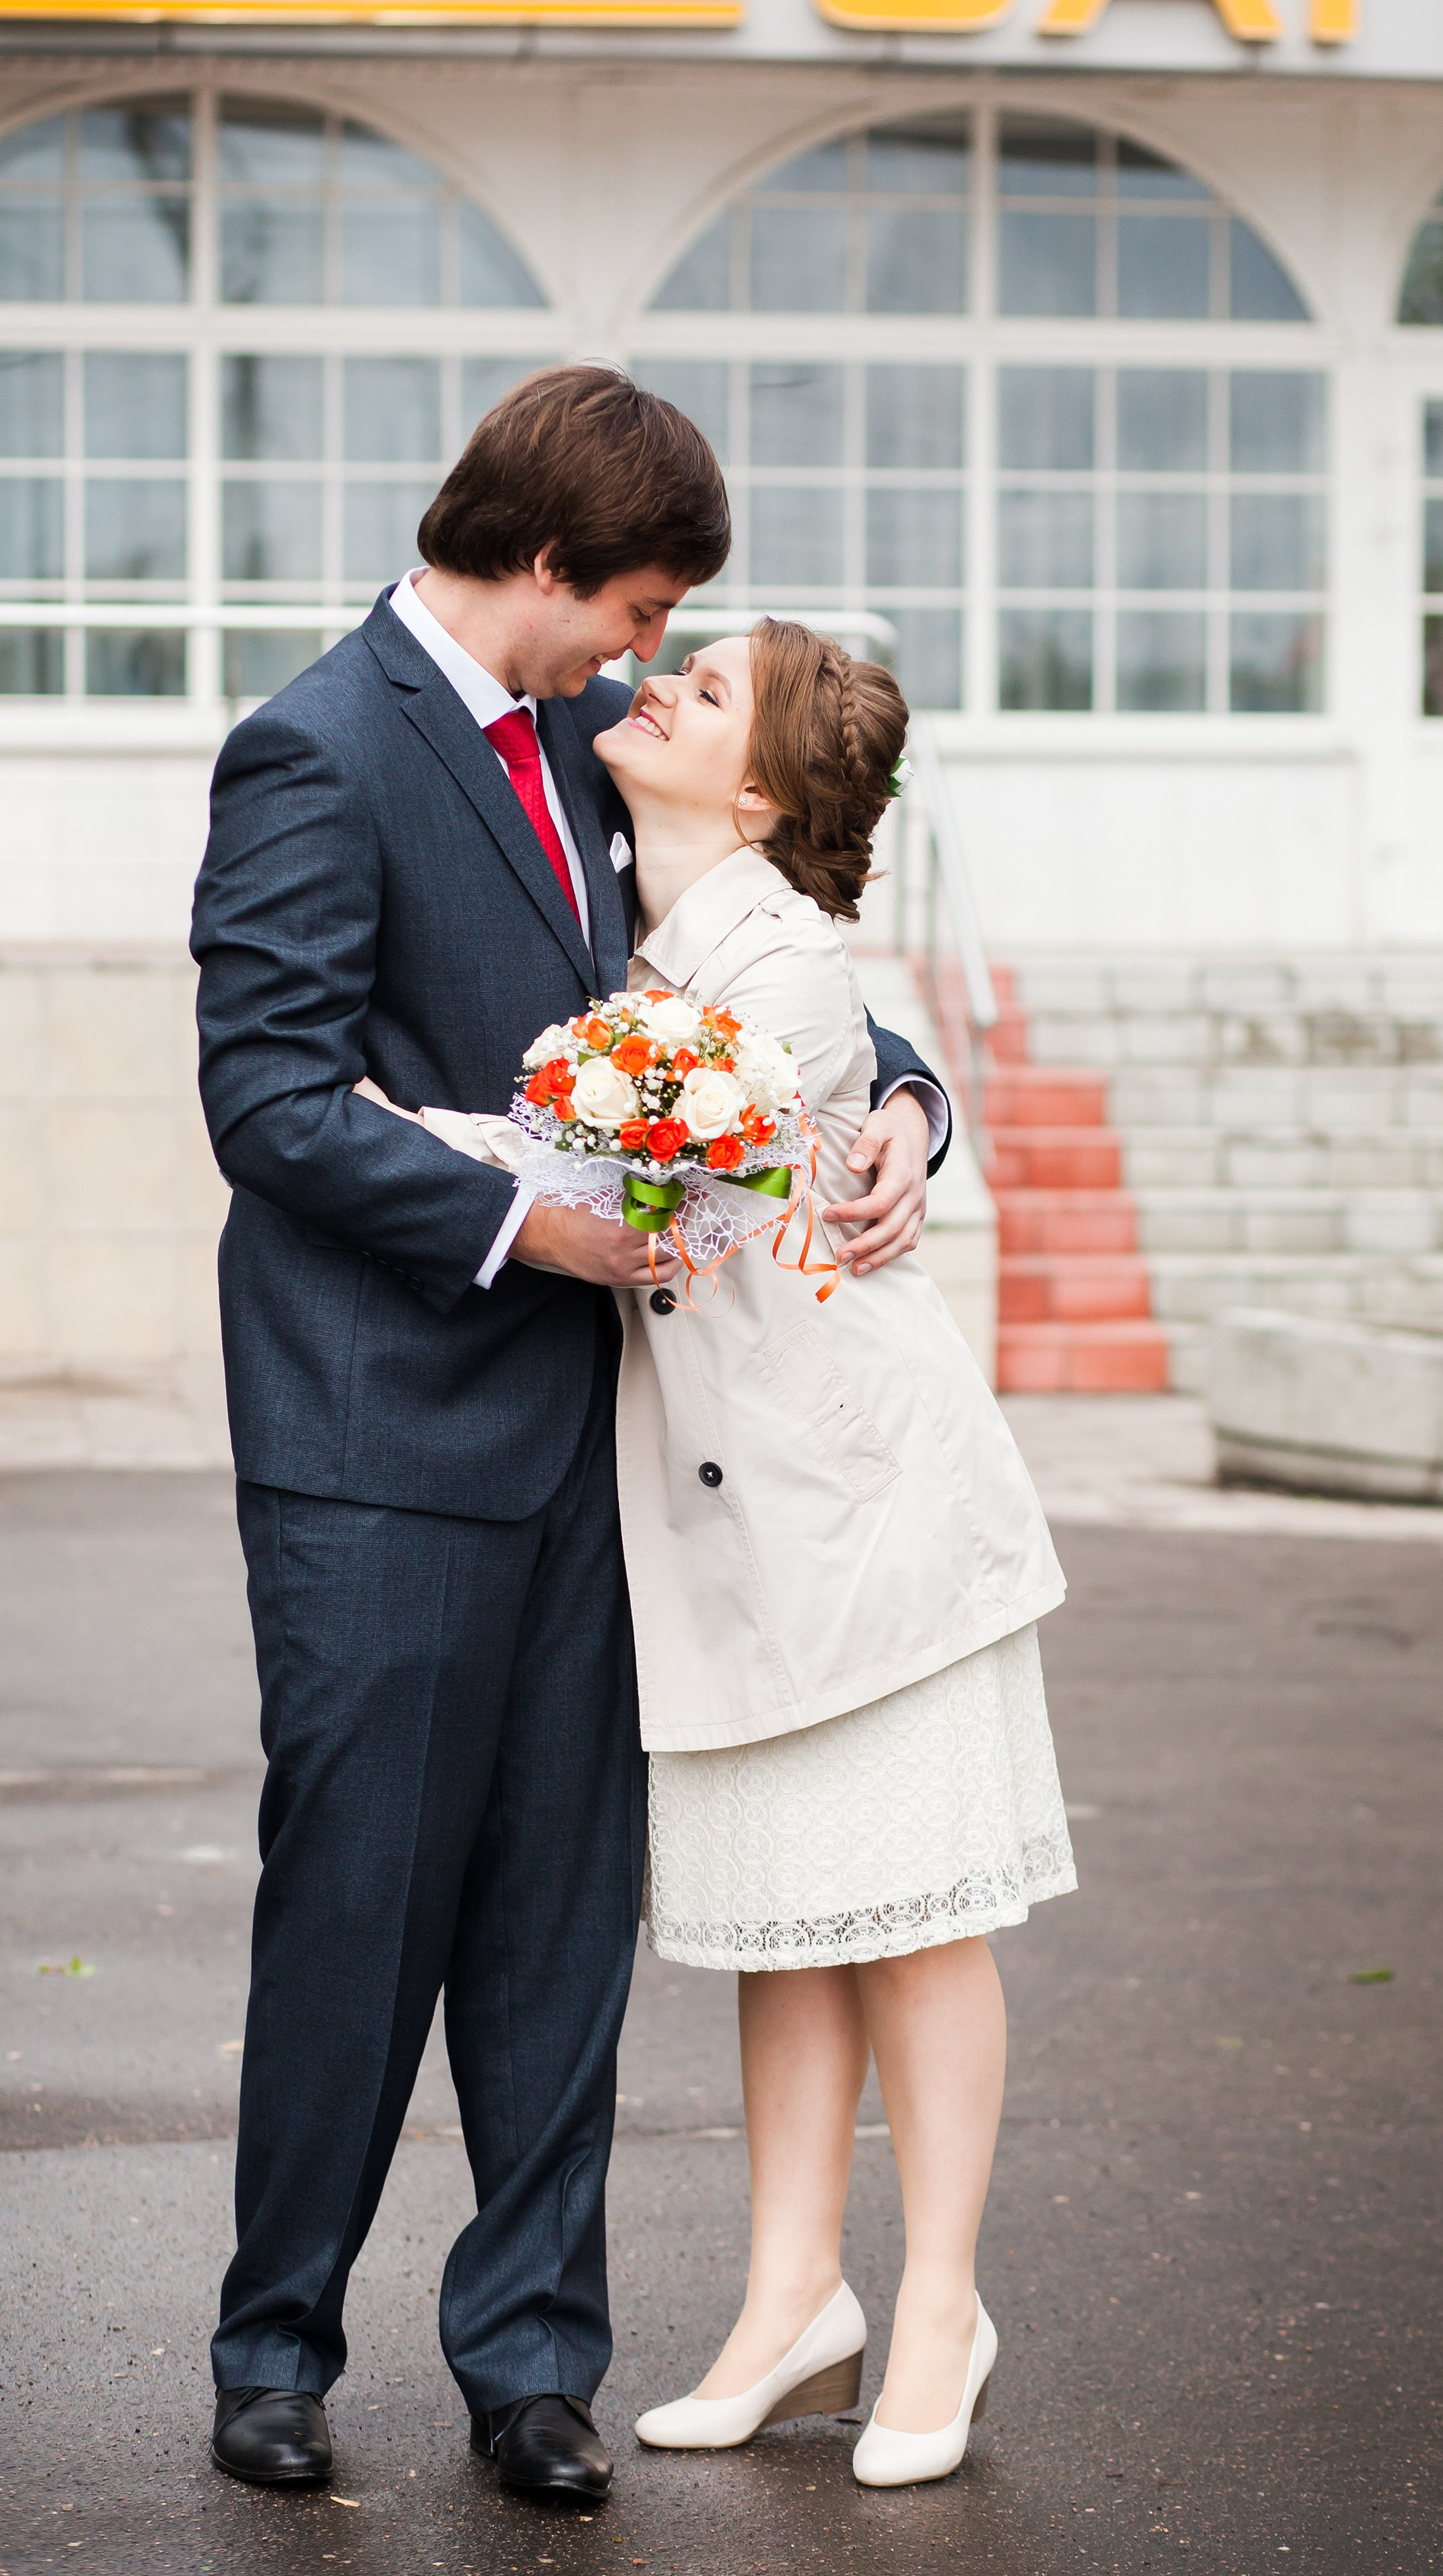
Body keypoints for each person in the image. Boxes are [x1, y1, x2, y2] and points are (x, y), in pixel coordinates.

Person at [189, 367, 949, 2505]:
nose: (641, 657)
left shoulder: (591, 765)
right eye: (627, 612)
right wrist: (536, 1218)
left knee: (557, 1918)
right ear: (540, 567)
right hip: (377, 1440)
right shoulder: (314, 749)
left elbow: (770, 974)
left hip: (611, 1458)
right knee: (360, 1898)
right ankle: (274, 2346)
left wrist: (902, 1107)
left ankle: (529, 2359)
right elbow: (264, 1097)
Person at [403, 619, 1074, 2489]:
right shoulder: (639, 918)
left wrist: (380, 1124)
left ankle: (937, 2300)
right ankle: (794, 2301)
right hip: (726, 1529)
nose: (658, 685)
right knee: (789, 1922)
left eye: (701, 688)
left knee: (918, 1917)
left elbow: (601, 1175)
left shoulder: (775, 971)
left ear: (762, 791)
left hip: (865, 1514)